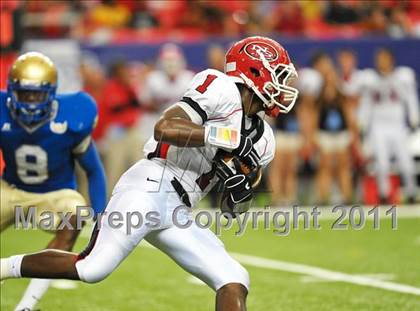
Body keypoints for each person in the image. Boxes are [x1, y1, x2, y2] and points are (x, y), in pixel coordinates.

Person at [1, 36, 299, 311]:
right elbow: (165, 128)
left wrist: (239, 189)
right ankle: (4, 268)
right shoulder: (220, 87)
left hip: (181, 209)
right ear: (256, 72)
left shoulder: (264, 139)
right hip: (150, 186)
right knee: (92, 268)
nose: (284, 86)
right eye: (280, 75)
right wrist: (228, 138)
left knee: (234, 278)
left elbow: (233, 209)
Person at [0, 52, 106, 311]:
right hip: (10, 188)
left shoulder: (72, 117)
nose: (30, 102)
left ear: (52, 93)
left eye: (37, 94)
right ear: (11, 91)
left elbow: (93, 169)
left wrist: (101, 214)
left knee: (76, 214)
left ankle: (27, 305)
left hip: (56, 193)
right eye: (24, 94)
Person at [358, 48, 419, 203]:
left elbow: (410, 99)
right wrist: (362, 123)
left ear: (391, 59)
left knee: (406, 163)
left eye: (384, 58)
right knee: (382, 163)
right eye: (379, 59)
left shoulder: (402, 77)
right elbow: (366, 104)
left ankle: (411, 192)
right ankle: (384, 194)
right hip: (379, 127)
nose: (381, 62)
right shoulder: (370, 79)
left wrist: (414, 118)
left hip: (398, 126)